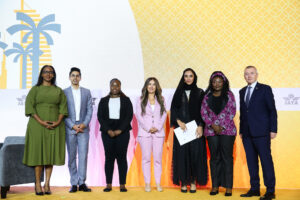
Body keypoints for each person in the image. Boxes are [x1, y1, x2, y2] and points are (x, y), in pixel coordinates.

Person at [23, 65, 68, 195]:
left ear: (53, 75)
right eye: (46, 72)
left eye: (51, 72)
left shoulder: (58, 91)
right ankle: (37, 184)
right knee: (38, 155)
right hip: (37, 125)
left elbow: (63, 108)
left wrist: (58, 122)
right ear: (41, 74)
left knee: (50, 155)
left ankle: (47, 184)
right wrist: (42, 121)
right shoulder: (35, 89)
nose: (48, 74)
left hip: (55, 125)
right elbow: (29, 106)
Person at [239, 66, 277, 200]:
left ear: (257, 75)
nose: (249, 76)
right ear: (244, 76)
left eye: (251, 73)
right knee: (251, 162)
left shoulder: (265, 89)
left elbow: (272, 110)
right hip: (247, 134)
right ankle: (255, 189)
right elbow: (243, 114)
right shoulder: (242, 91)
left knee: (266, 161)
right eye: (246, 74)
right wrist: (241, 131)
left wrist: (273, 129)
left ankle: (270, 191)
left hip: (262, 132)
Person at [170, 68, 208, 193]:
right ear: (183, 77)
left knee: (194, 156)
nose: (188, 78)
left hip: (196, 129)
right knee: (182, 156)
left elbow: (204, 111)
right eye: (186, 76)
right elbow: (174, 110)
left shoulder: (199, 92)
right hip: (182, 129)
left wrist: (201, 125)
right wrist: (178, 121)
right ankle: (183, 182)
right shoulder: (178, 92)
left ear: (194, 77)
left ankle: (192, 182)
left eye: (190, 76)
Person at [201, 71, 237, 196]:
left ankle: (228, 187)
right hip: (211, 131)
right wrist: (212, 125)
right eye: (214, 81)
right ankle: (215, 186)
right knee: (214, 159)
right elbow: (203, 113)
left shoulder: (229, 95)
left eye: (219, 81)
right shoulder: (206, 96)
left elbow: (232, 112)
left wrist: (221, 126)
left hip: (227, 130)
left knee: (227, 158)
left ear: (224, 82)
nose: (217, 84)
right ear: (211, 83)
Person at [97, 78, 133, 192]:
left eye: (117, 85)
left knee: (122, 158)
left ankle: (122, 184)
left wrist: (119, 130)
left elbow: (129, 117)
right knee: (109, 158)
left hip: (122, 133)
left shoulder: (126, 100)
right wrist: (108, 130)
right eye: (112, 85)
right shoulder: (103, 101)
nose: (115, 87)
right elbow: (100, 117)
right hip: (107, 134)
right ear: (109, 86)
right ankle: (108, 184)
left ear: (120, 86)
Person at [64, 67, 93, 193]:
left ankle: (82, 182)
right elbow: (63, 112)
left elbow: (89, 110)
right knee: (71, 157)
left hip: (83, 129)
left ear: (80, 77)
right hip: (70, 128)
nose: (75, 78)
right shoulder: (64, 93)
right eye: (73, 75)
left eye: (77, 75)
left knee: (83, 156)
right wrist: (72, 125)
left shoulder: (86, 92)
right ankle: (73, 183)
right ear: (69, 77)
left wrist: (84, 124)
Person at [136, 77, 167, 192]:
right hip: (145, 133)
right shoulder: (140, 100)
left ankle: (158, 183)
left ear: (157, 86)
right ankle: (147, 183)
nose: (151, 86)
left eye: (154, 84)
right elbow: (139, 116)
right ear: (146, 86)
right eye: (149, 84)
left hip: (158, 133)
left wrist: (158, 127)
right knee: (146, 159)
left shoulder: (162, 99)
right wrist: (148, 128)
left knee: (158, 159)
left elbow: (164, 114)